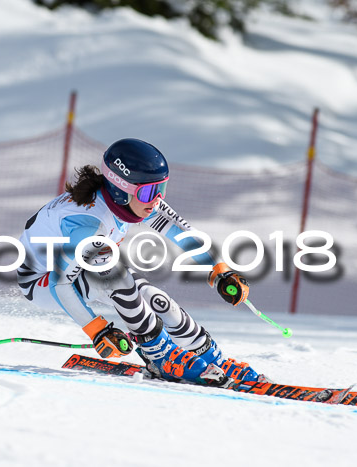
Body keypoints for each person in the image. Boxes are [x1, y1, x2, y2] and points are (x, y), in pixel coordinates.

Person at [16, 138, 266, 385]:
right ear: (119, 189)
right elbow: (62, 284)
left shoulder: (137, 201)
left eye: (162, 189)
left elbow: (180, 231)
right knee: (114, 272)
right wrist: (96, 329)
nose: (156, 199)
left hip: (81, 270)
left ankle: (210, 356)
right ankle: (160, 356)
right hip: (43, 282)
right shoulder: (87, 226)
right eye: (149, 192)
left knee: (157, 299)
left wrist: (218, 269)